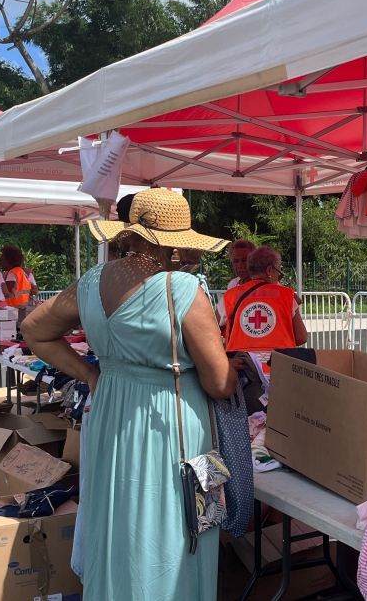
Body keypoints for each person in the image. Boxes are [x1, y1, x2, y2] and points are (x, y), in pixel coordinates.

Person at [23, 188, 235, 601]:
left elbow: (34, 329)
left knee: (115, 519)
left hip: (109, 412)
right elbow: (219, 383)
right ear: (177, 241)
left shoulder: (90, 283)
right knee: (173, 524)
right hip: (168, 421)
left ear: (130, 233)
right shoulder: (183, 289)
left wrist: (90, 374)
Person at [218, 246, 308, 359]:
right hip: (279, 367)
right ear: (269, 270)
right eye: (278, 272)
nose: (278, 278)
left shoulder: (230, 297)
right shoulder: (287, 295)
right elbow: (301, 337)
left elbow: (213, 331)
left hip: (243, 368)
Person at [0, 245, 39, 322]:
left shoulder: (12, 273)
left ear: (8, 261)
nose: (0, 262)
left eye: (2, 260)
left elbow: (5, 291)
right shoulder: (24, 273)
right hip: (23, 309)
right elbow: (34, 291)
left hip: (12, 310)